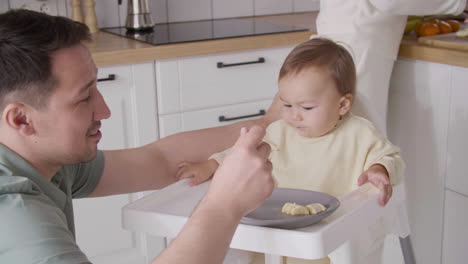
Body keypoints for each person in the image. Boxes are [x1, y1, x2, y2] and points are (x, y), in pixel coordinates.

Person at [0, 9, 279, 264]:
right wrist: (224, 206)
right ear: (21, 119)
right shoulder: (16, 216)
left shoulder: (42, 159)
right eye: (84, 98)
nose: (105, 110)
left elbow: (159, 161)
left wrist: (271, 121)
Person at [176, 38, 405, 264]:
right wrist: (211, 165)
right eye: (286, 105)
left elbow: (389, 156)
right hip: (275, 233)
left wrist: (378, 168)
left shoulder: (359, 133)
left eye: (306, 107)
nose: (294, 116)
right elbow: (244, 155)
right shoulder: (280, 131)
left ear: (342, 105)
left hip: (328, 240)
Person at [315, 0, 468, 136]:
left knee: (345, 134)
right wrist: (458, 3)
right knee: (363, 137)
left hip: (346, 37)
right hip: (360, 43)